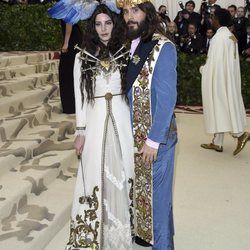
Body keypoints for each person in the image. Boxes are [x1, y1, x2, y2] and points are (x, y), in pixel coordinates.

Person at [49, 1, 135, 249]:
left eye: (107, 23)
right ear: (92, 27)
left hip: (121, 120)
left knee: (123, 171)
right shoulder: (81, 57)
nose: (103, 29)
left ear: (114, 24)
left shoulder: (127, 51)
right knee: (95, 174)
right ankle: (93, 232)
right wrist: (80, 130)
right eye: (98, 24)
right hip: (96, 123)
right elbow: (80, 97)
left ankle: (120, 234)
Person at [118, 0, 178, 249]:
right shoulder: (126, 45)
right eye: (125, 12)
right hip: (133, 136)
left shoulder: (163, 47)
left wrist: (153, 140)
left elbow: (167, 98)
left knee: (158, 200)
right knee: (148, 196)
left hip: (156, 140)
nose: (129, 17)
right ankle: (149, 234)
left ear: (147, 13)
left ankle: (163, 244)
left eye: (135, 11)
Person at [200, 8, 250, 155]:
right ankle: (217, 142)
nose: (212, 20)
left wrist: (203, 69)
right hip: (229, 79)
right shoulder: (230, 36)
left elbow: (213, 63)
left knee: (220, 107)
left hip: (219, 80)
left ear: (219, 20)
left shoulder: (218, 38)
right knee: (224, 107)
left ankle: (240, 134)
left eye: (213, 17)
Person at [58, 21, 82, 114]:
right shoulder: (70, 6)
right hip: (75, 37)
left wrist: (66, 43)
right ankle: (72, 105)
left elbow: (69, 22)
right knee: (72, 70)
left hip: (72, 40)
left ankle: (70, 106)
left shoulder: (67, 6)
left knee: (67, 72)